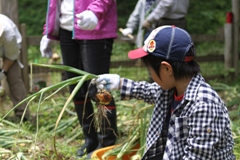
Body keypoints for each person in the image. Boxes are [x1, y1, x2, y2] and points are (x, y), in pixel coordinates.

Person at [94, 25, 235, 160]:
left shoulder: (203, 105)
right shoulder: (171, 88)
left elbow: (196, 156)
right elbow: (148, 91)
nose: (150, 75)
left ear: (167, 69)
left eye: (150, 70)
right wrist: (119, 83)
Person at [39, 0, 118, 157]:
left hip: (94, 26)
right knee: (77, 89)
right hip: (66, 30)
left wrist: (95, 11)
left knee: (99, 89)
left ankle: (107, 143)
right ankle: (91, 140)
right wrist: (48, 30)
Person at [121, 0, 189, 82]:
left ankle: (159, 84)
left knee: (161, 60)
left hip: (168, 22)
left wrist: (150, 20)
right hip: (175, 21)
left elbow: (166, 3)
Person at [0, 14, 30, 122]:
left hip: (10, 50)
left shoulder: (9, 34)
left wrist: (2, 72)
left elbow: (11, 57)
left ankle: (23, 116)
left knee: (14, 79)